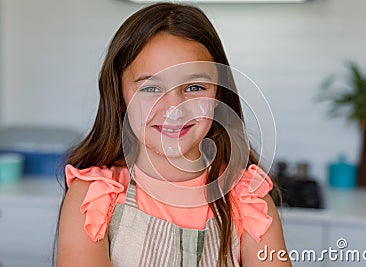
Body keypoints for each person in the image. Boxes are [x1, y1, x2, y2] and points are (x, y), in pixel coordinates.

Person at [57, 2, 291, 267]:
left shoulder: (247, 198)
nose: (174, 109)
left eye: (194, 87)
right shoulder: (94, 196)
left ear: (218, 96)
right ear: (120, 96)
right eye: (150, 89)